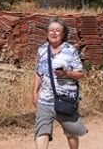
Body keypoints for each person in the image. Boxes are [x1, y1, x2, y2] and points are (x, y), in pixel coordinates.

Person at [34, 18, 88, 148]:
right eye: (51, 30)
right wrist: (34, 92)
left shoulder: (70, 50)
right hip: (45, 99)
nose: (54, 33)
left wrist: (67, 74)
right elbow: (39, 72)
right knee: (42, 131)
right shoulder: (42, 50)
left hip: (65, 99)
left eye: (58, 30)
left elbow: (81, 74)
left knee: (71, 133)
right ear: (47, 33)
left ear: (63, 34)